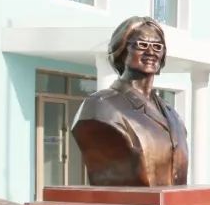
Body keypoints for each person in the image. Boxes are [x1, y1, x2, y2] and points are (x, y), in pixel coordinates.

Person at [72, 16, 189, 186]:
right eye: (141, 45)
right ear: (121, 51)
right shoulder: (101, 107)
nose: (151, 52)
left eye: (157, 46)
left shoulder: (172, 114)